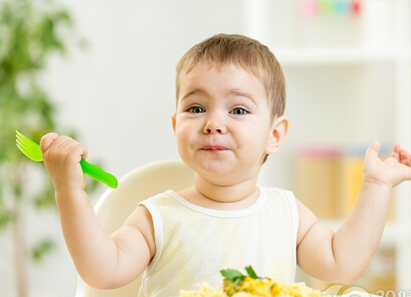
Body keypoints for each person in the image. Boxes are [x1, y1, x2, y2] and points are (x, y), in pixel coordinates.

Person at [40, 34, 411, 296]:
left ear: (275, 135)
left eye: (238, 110)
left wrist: (376, 188)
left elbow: (341, 263)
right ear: (175, 126)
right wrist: (68, 191)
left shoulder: (286, 214)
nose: (213, 122)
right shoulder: (158, 217)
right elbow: (101, 272)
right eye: (196, 108)